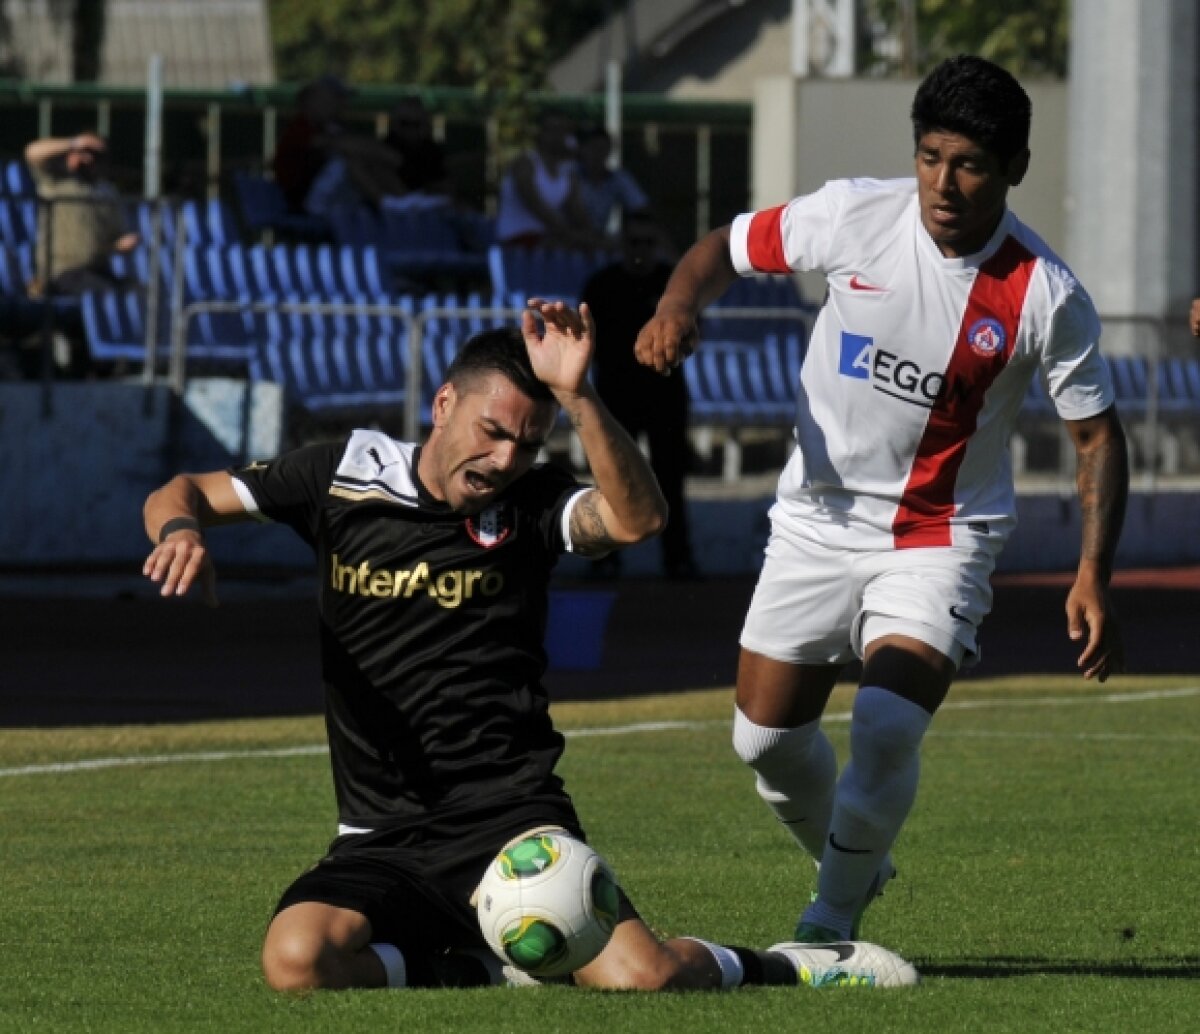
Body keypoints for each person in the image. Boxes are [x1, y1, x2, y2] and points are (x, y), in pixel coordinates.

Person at [141, 299, 915, 991]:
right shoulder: (341, 475)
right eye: (492, 432)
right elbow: (182, 492)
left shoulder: (533, 505)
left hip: (510, 817)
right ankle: (476, 968)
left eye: (527, 442)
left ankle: (788, 964)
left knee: (641, 979)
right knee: (297, 961)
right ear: (443, 404)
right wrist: (181, 533)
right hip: (380, 832)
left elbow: (637, 520)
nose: (506, 459)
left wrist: (578, 397)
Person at [634, 55, 1129, 949]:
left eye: (970, 162)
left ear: (1014, 167)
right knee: (764, 746)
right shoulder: (855, 214)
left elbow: (1097, 438)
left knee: (887, 718)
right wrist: (678, 306)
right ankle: (857, 855)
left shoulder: (1046, 296)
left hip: (940, 535)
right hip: (814, 521)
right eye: (930, 155)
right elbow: (723, 248)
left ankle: (829, 924)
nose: (944, 182)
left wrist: (1094, 572)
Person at [582, 211, 696, 579]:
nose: (641, 251)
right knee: (610, 478)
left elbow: (691, 334)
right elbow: (588, 344)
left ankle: (676, 558)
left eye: (648, 243)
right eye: (634, 243)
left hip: (665, 395)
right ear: (621, 245)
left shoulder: (670, 287)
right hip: (616, 397)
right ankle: (604, 558)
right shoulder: (601, 286)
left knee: (670, 480)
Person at [272, 75, 406, 221]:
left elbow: (387, 156)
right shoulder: (299, 126)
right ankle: (389, 206)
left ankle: (405, 203)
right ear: (314, 99)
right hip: (304, 204)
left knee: (368, 161)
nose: (342, 104)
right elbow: (341, 146)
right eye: (336, 98)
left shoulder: (332, 127)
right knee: (349, 160)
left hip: (334, 200)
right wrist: (381, 153)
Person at [23, 131, 139, 296]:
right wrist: (75, 141)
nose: (88, 159)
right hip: (62, 272)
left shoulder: (107, 192)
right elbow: (32, 152)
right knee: (105, 294)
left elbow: (116, 237)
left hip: (97, 269)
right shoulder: (54, 183)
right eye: (82, 154)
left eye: (95, 155)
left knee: (140, 292)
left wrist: (120, 244)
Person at [494, 112, 603, 250]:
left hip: (550, 239)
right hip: (518, 241)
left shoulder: (568, 171)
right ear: (540, 134)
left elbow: (577, 212)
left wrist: (593, 236)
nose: (559, 136)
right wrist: (575, 237)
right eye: (554, 130)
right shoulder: (525, 163)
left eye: (564, 130)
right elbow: (537, 207)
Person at [576, 126, 650, 238]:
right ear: (581, 149)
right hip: (565, 240)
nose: (597, 154)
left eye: (602, 148)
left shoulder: (618, 178)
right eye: (592, 148)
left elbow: (643, 210)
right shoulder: (569, 174)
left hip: (599, 242)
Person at [383, 95, 452, 201]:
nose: (410, 130)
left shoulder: (432, 152)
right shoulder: (383, 150)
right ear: (394, 124)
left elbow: (445, 190)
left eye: (416, 124)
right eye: (405, 123)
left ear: (425, 125)